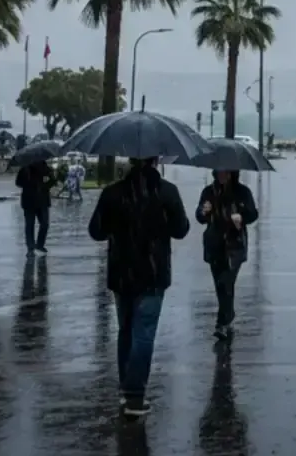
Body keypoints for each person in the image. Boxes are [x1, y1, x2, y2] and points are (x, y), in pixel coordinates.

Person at [88, 157, 190, 417]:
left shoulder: (113, 192)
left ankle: (126, 389)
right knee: (144, 333)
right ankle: (135, 396)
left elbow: (96, 231)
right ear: (156, 160)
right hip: (153, 274)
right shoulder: (167, 192)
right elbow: (181, 230)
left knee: (126, 330)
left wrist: (116, 225)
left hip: (122, 274)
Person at [195, 170, 259, 339]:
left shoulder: (242, 192)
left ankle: (222, 323)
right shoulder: (209, 192)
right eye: (219, 171)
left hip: (234, 245)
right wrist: (204, 211)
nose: (222, 175)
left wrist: (242, 216)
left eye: (226, 172)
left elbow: (253, 213)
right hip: (214, 245)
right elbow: (199, 217)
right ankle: (228, 314)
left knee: (226, 281)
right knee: (220, 285)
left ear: (232, 173)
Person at [15, 160, 57, 257]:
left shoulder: (45, 167)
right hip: (28, 200)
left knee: (44, 224)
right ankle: (30, 247)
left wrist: (45, 186)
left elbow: (53, 180)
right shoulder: (25, 169)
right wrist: (28, 182)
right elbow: (18, 182)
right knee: (29, 225)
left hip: (42, 200)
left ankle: (40, 244)